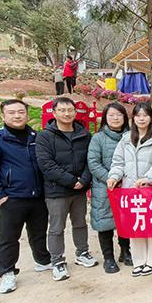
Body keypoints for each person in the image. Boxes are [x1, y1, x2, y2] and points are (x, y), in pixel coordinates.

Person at [0, 99, 52, 294]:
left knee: (39, 232)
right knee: (9, 237)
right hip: (12, 198)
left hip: (38, 196)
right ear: (3, 116)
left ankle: (43, 260)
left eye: (21, 112)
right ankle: (7, 272)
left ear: (27, 114)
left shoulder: (36, 137)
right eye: (11, 112)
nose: (17, 116)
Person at [35, 97, 96, 282]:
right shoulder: (45, 136)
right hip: (57, 191)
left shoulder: (84, 134)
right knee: (56, 228)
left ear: (75, 112)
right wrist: (71, 181)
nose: (67, 114)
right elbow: (46, 165)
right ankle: (57, 261)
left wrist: (84, 180)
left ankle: (82, 252)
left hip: (79, 190)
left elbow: (90, 159)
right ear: (54, 113)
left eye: (70, 110)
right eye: (62, 110)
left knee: (80, 223)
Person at [107, 102, 152, 277]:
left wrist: (148, 178)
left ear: (151, 118)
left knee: (151, 225)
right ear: (133, 118)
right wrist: (114, 176)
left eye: (145, 115)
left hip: (150, 190)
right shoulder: (126, 138)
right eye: (138, 115)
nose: (141, 119)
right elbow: (118, 162)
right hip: (130, 190)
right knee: (136, 224)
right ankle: (139, 261)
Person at [87, 102, 131, 274]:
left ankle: (125, 251)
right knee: (104, 222)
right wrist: (111, 179)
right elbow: (93, 163)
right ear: (105, 117)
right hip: (104, 187)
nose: (115, 118)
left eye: (119, 115)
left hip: (126, 186)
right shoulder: (98, 138)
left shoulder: (131, 136)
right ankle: (108, 258)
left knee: (125, 220)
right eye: (111, 115)